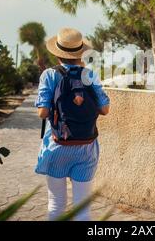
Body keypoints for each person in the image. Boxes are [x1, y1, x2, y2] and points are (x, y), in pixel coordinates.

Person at [35, 27, 110, 221]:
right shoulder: (90, 75)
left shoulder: (49, 75)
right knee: (82, 209)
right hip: (86, 147)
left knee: (56, 204)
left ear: (58, 54)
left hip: (57, 144)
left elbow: (42, 112)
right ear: (80, 52)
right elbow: (105, 109)